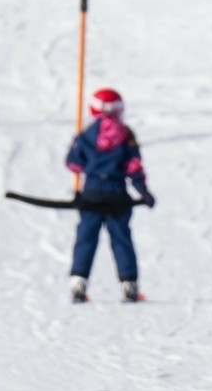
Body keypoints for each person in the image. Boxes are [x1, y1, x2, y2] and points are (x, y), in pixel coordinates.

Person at [65, 88, 153, 303]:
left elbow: (73, 163)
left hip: (92, 194)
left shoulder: (86, 135)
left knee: (86, 238)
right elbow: (134, 167)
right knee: (121, 239)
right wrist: (143, 191)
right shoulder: (125, 135)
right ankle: (129, 284)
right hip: (117, 195)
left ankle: (78, 282)